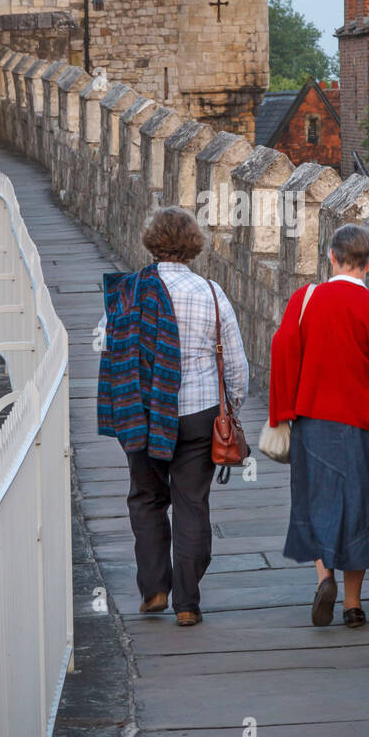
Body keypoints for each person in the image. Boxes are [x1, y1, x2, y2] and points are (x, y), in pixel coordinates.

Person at [98, 206, 248, 626]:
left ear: (152, 242)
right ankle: (187, 602)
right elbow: (235, 365)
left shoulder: (130, 292)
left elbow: (113, 352)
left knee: (146, 499)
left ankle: (155, 588)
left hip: (143, 414)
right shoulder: (212, 294)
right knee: (191, 504)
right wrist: (231, 411)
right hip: (199, 417)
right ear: (193, 245)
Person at [268, 222, 369, 629]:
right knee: (361, 509)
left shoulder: (305, 299)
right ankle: (353, 604)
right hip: (361, 424)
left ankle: (324, 577)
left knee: (317, 501)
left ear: (331, 256)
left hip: (312, 420)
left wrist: (281, 412)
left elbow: (282, 351)